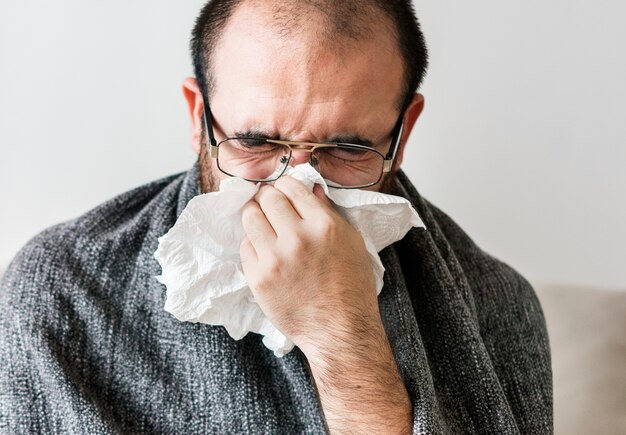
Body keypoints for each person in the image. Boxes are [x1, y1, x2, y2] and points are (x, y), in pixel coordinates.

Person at [0, 0, 552, 433]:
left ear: (402, 134)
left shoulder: (495, 303)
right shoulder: (63, 289)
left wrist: (344, 339)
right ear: (200, 117)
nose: (295, 186)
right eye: (256, 141)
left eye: (346, 148)